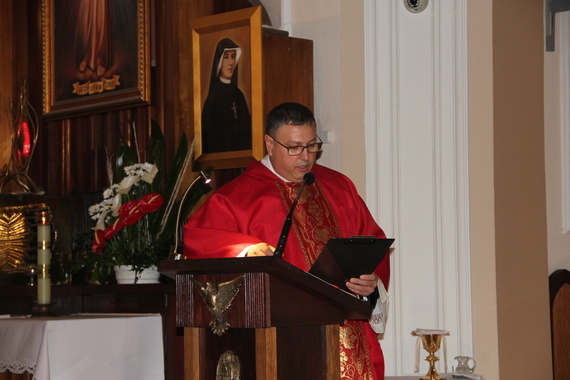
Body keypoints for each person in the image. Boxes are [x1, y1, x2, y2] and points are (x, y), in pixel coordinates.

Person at [184, 102, 390, 380]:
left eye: (312, 145)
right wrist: (244, 249)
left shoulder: (339, 187)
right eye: (294, 148)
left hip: (350, 338)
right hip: (280, 344)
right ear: (270, 144)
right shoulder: (236, 198)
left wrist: (370, 284)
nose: (305, 157)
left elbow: (371, 244)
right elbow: (198, 238)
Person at [201, 38, 252, 154]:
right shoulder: (213, 98)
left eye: (233, 57)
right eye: (226, 57)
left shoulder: (238, 95)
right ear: (219, 61)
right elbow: (210, 138)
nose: (231, 62)